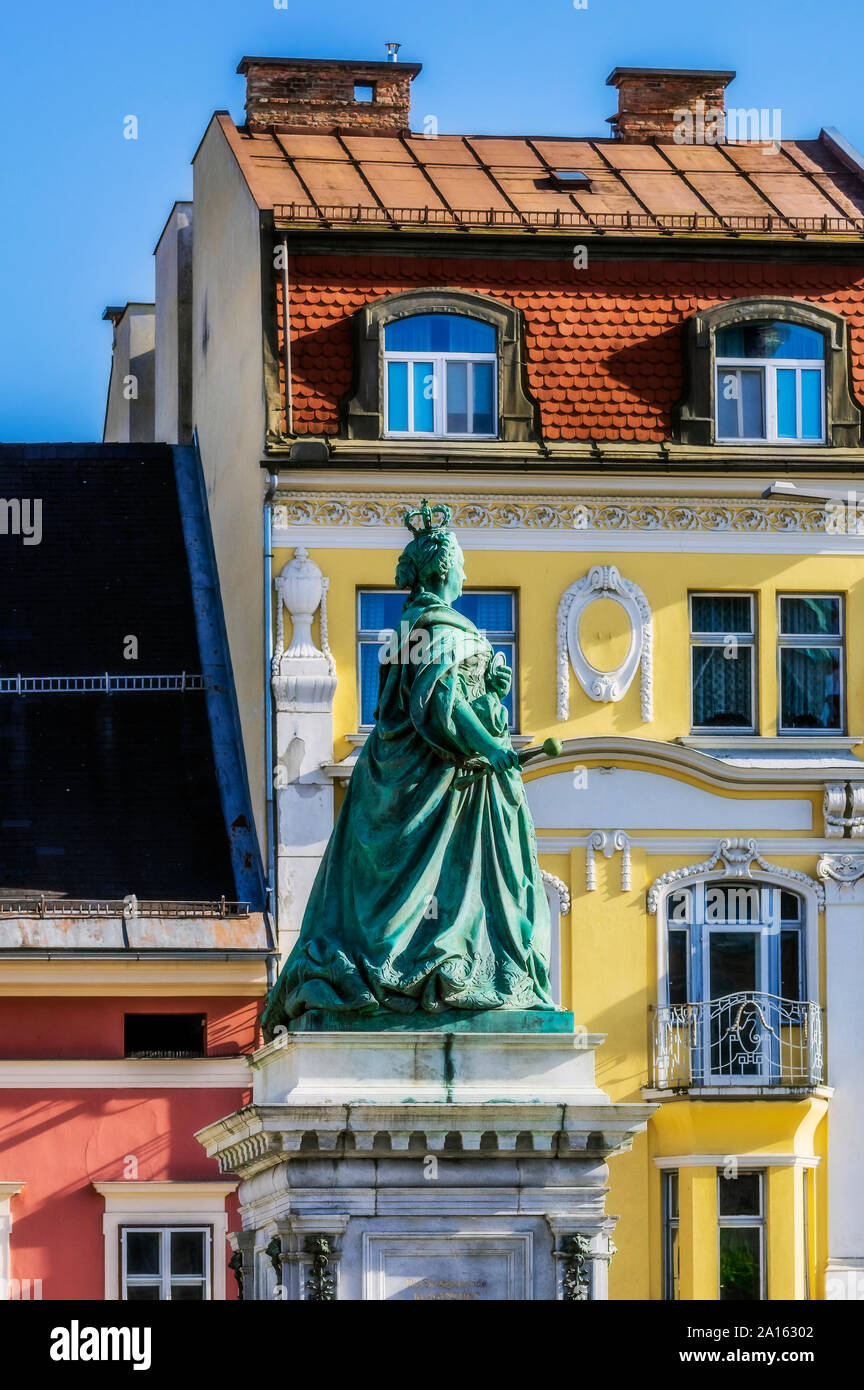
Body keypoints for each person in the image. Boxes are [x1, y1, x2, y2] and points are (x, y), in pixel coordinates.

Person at [261, 499, 554, 1036]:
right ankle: (437, 974)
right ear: (443, 567)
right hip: (439, 782)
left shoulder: (409, 627)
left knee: (402, 892)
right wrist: (489, 748)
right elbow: (436, 701)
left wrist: (493, 694)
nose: (467, 568)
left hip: (395, 774)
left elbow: (441, 699)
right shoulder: (440, 628)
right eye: (461, 559)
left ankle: (419, 967)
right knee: (465, 889)